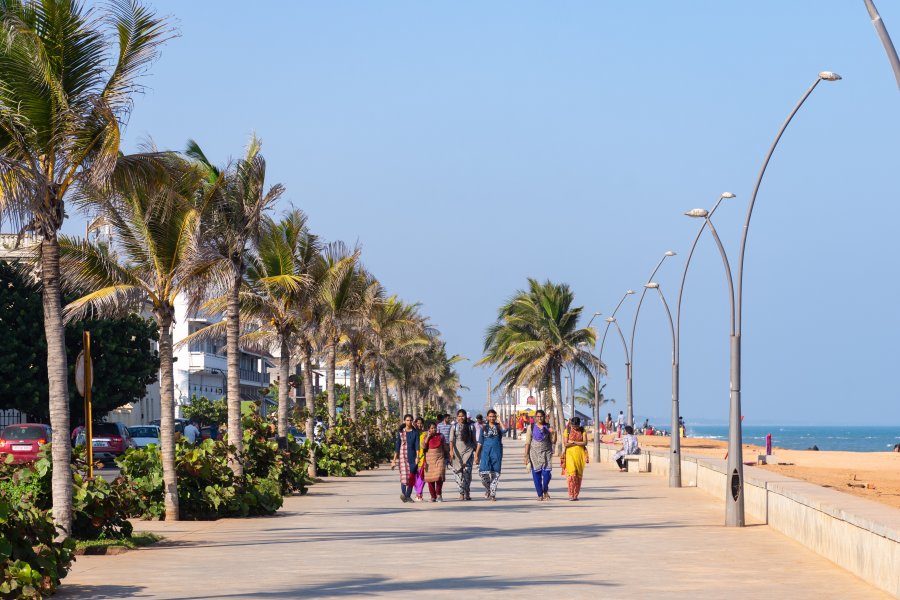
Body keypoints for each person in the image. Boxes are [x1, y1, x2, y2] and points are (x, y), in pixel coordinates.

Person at [523, 409, 556, 501]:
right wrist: (525, 456)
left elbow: (553, 441)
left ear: (544, 417)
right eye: (537, 416)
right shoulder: (531, 427)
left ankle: (545, 490)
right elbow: (527, 442)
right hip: (534, 454)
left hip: (546, 453)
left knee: (547, 475)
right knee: (536, 475)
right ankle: (540, 495)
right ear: (535, 417)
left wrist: (554, 432)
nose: (539, 418)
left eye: (541, 416)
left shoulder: (548, 427)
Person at [475, 409, 506, 501]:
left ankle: (492, 494)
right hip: (485, 454)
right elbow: (480, 442)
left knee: (495, 474)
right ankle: (488, 488)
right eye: (490, 416)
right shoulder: (483, 428)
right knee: (483, 474)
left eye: (494, 416)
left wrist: (500, 421)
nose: (492, 418)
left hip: (496, 453)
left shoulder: (498, 427)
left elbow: (505, 430)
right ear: (487, 417)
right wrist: (477, 455)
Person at [448, 409, 477, 500]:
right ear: (457, 417)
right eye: (459, 416)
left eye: (463, 416)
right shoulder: (454, 427)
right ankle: (461, 492)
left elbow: (474, 440)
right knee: (458, 474)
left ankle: (467, 492)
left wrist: (476, 453)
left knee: (467, 473)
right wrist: (451, 452)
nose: (461, 417)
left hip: (468, 453)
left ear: (466, 417)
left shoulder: (471, 427)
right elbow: (451, 440)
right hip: (457, 454)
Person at [392, 414, 420, 502]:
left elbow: (417, 445)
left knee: (411, 477)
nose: (409, 422)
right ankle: (404, 494)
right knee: (404, 476)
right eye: (407, 420)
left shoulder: (415, 432)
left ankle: (407, 495)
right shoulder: (401, 432)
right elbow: (397, 446)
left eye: (411, 420)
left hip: (412, 457)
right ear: (404, 421)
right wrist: (394, 460)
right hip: (402, 457)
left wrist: (417, 457)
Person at [422, 421, 448, 502]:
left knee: (439, 477)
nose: (434, 430)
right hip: (429, 460)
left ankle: (439, 494)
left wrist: (448, 456)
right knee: (431, 479)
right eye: (432, 428)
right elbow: (423, 447)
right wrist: (428, 437)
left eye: (435, 428)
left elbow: (445, 447)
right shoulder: (425, 436)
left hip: (439, 459)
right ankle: (433, 496)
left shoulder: (441, 436)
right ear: (429, 429)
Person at [564, 417, 588, 501]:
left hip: (580, 456)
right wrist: (578, 443)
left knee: (578, 476)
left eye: (576, 426)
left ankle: (575, 495)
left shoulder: (582, 430)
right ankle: (571, 494)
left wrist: (573, 442)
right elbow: (566, 444)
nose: (575, 428)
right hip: (570, 455)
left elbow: (585, 442)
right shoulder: (567, 431)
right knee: (572, 475)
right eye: (573, 426)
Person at [413, 417, 427, 501]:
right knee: (414, 477)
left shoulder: (425, 434)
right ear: (415, 423)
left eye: (421, 423)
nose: (419, 424)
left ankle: (419, 493)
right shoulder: (412, 433)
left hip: (423, 458)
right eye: (417, 423)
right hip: (413, 457)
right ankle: (419, 492)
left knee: (422, 476)